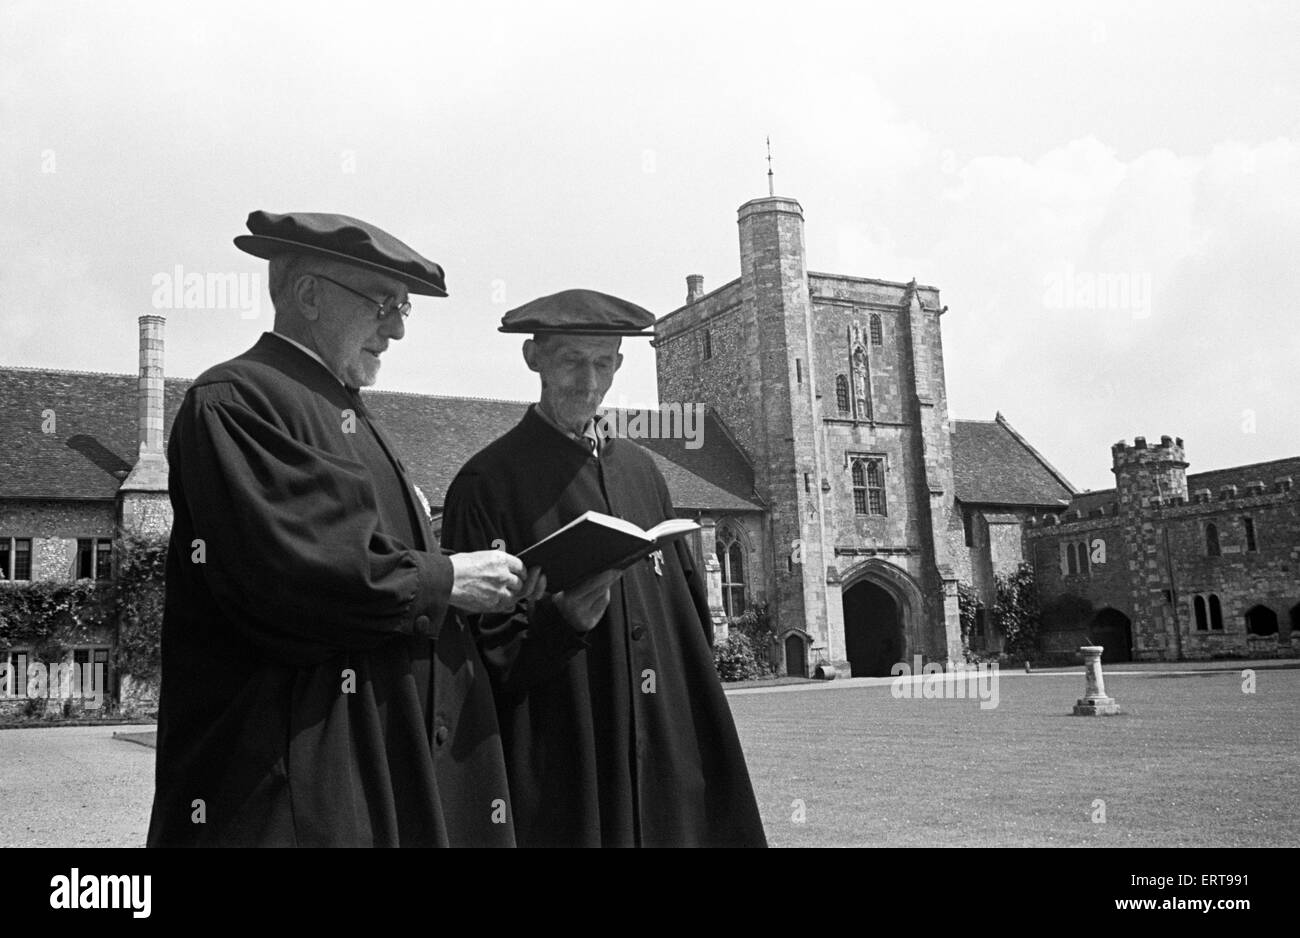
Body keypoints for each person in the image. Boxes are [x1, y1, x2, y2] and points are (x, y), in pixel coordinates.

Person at [147, 211, 541, 847]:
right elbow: (302, 577)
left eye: (405, 309)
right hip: (292, 786)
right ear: (308, 295)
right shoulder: (239, 399)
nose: (397, 330)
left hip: (368, 768)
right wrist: (450, 577)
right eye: (383, 303)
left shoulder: (342, 410)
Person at [440, 289, 767, 847]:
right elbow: (478, 662)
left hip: (666, 746)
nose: (589, 382)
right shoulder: (486, 484)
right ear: (534, 358)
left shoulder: (645, 471)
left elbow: (690, 615)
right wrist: (562, 622)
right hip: (572, 759)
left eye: (603, 363)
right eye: (571, 360)